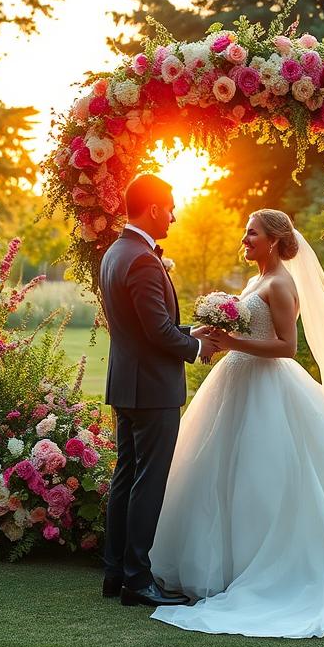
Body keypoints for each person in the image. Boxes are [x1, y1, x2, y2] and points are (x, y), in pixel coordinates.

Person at [149, 209, 324, 637]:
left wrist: (231, 341)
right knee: (224, 474)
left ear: (277, 241)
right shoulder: (254, 281)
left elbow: (286, 347)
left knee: (266, 477)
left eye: (253, 234)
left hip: (270, 388)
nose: (245, 240)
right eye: (245, 232)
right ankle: (227, 567)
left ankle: (266, 567)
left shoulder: (281, 283)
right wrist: (218, 335)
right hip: (237, 381)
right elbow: (250, 333)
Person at [100, 174, 216, 607]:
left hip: (127, 385)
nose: (174, 214)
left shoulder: (116, 252)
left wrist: (190, 329)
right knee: (148, 483)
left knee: (126, 477)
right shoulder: (144, 260)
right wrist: (198, 346)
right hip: (152, 389)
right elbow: (157, 332)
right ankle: (138, 579)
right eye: (169, 207)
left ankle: (115, 573)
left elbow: (139, 326)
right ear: (152, 209)